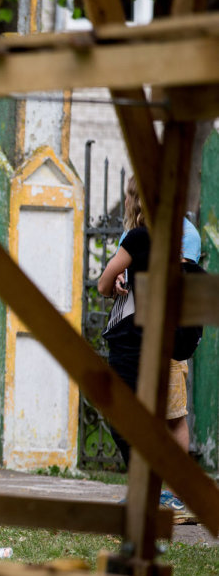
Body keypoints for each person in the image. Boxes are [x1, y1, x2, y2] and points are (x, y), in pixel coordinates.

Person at [99, 178, 194, 513]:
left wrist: (116, 281)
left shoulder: (141, 236)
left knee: (164, 417)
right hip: (166, 339)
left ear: (135, 200)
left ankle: (163, 490)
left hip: (147, 344)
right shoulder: (176, 236)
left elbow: (104, 282)